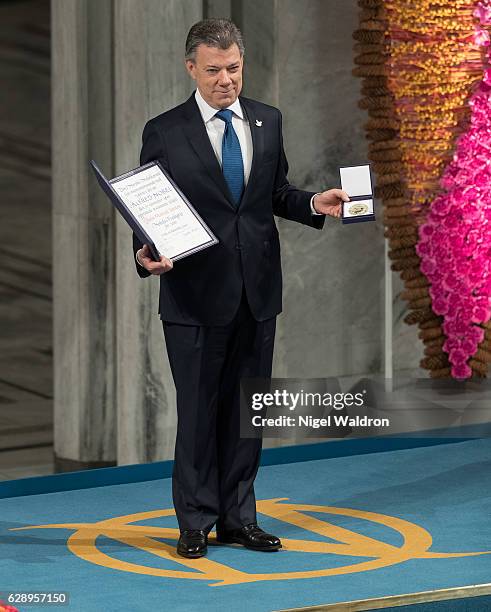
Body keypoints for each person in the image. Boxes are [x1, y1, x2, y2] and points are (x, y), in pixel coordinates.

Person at [133, 18, 349, 559]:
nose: (226, 79)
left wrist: (311, 204)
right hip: (193, 298)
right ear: (191, 69)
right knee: (199, 413)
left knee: (247, 414)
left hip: (257, 293)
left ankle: (238, 519)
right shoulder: (164, 130)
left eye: (234, 68)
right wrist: (145, 253)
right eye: (214, 70)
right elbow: (148, 209)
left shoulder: (267, 121)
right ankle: (194, 521)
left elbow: (274, 194)